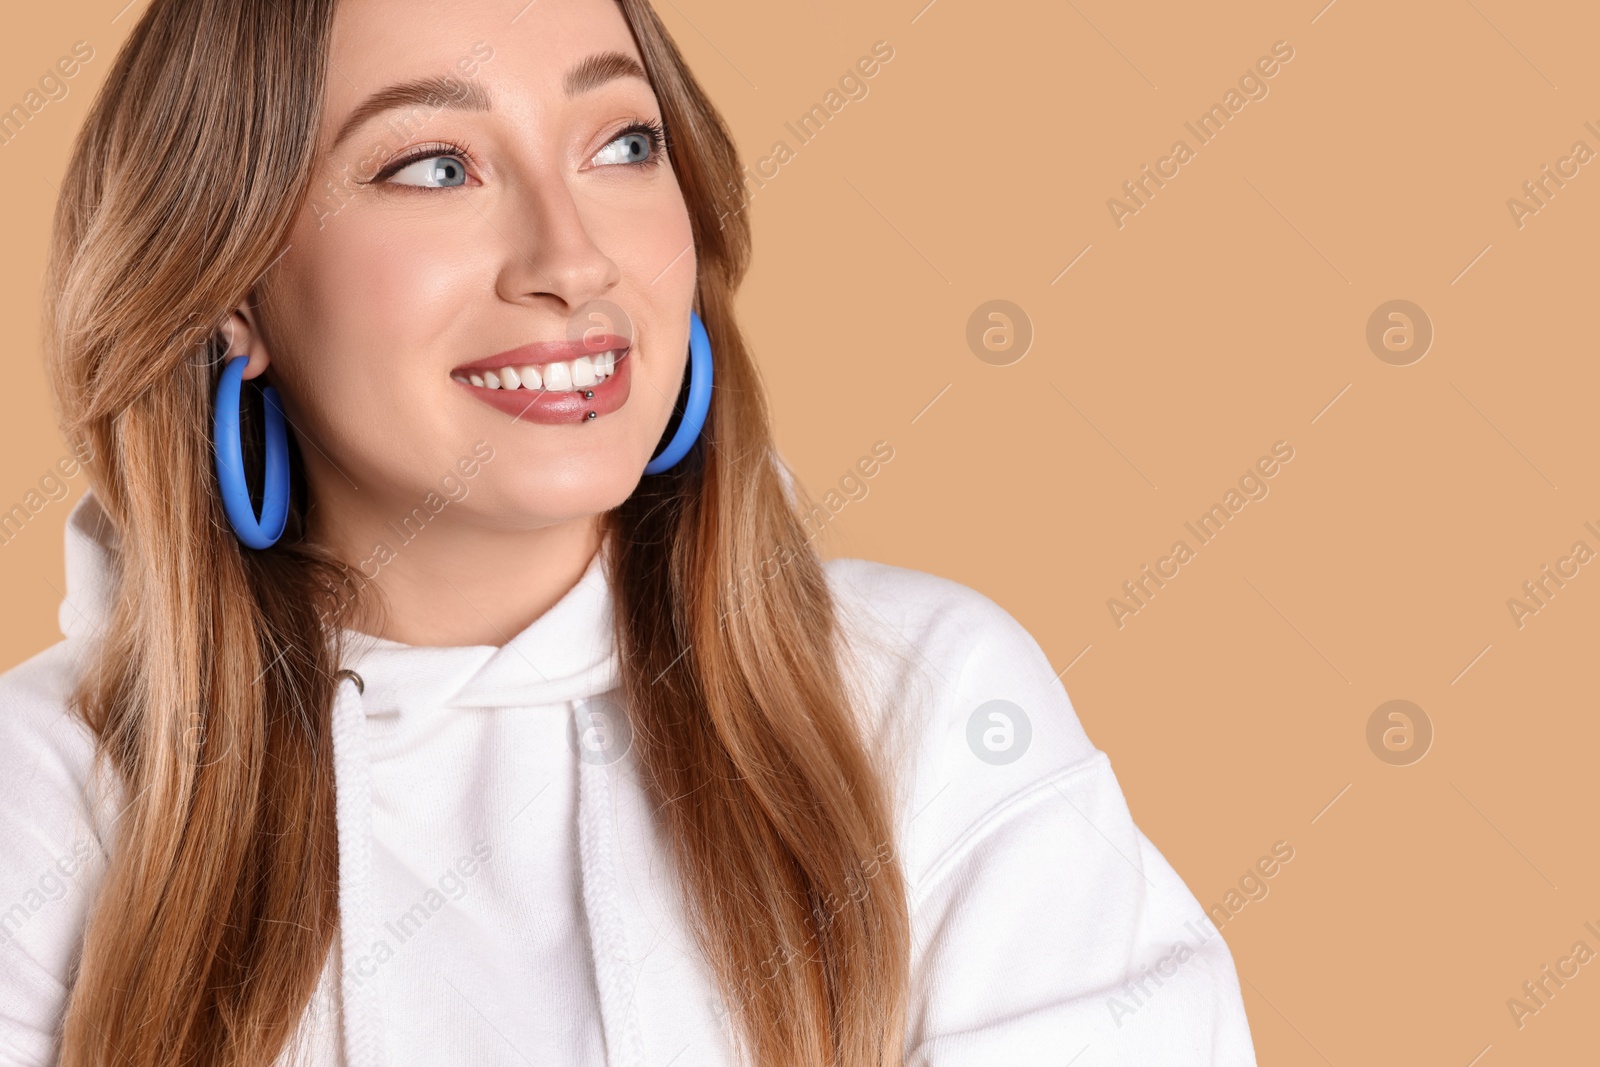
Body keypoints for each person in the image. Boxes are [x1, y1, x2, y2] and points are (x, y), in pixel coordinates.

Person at [0, 0, 1258, 1064]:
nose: (574, 257)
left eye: (624, 141)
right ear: (231, 295)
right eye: (435, 164)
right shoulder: (42, 795)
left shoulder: (921, 700)